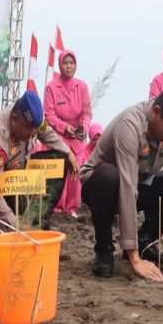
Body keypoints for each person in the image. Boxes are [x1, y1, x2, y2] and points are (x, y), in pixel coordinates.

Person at [80, 86, 163, 282]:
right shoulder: (130, 126)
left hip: (139, 183)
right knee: (109, 176)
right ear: (156, 112)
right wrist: (135, 259)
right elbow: (127, 186)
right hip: (104, 186)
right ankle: (104, 248)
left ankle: (145, 241)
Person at [0, 91, 78, 230]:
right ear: (14, 118)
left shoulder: (33, 122)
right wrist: (16, 224)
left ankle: (37, 218)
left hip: (20, 179)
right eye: (28, 129)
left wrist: (68, 151)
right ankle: (19, 220)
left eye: (34, 132)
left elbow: (47, 133)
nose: (31, 135)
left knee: (61, 158)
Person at [43, 50, 92, 216]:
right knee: (59, 173)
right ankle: (56, 206)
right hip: (59, 136)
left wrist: (83, 127)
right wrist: (65, 128)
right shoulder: (51, 87)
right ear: (60, 65)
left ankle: (73, 208)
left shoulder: (82, 86)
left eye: (72, 63)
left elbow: (87, 112)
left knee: (75, 173)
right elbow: (49, 115)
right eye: (65, 63)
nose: (69, 66)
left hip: (77, 138)